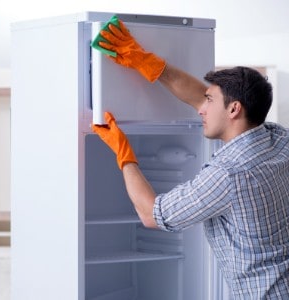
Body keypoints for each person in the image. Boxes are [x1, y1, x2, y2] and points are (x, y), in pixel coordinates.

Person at [92, 19, 289, 299]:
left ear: (234, 109)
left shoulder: (228, 173)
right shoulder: (279, 139)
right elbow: (198, 97)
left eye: (210, 101)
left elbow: (151, 214)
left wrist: (123, 152)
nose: (201, 108)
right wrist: (147, 62)